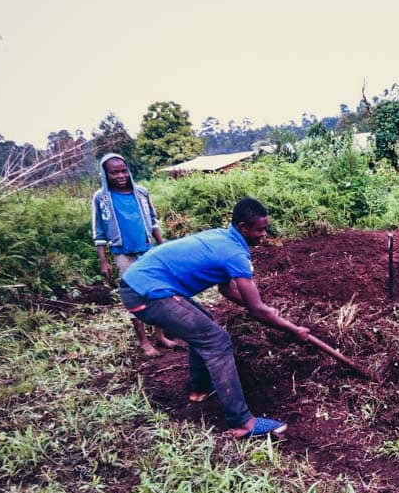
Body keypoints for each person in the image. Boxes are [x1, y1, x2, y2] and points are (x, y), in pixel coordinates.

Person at [118, 197, 310, 438]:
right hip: (145, 293)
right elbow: (256, 310)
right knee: (216, 340)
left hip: (143, 283)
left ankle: (199, 389)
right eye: (260, 229)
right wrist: (292, 329)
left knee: (205, 324)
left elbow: (227, 290)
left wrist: (264, 309)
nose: (264, 234)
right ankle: (243, 423)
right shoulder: (235, 254)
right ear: (243, 227)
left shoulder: (224, 236)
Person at [92, 152, 177, 357]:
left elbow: (153, 221)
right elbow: (99, 232)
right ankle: (144, 342)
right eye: (114, 173)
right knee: (133, 296)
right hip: (123, 254)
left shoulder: (141, 193)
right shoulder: (102, 198)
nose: (120, 176)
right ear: (106, 175)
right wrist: (103, 261)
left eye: (123, 171)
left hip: (147, 249)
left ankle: (160, 335)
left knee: (156, 291)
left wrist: (162, 247)